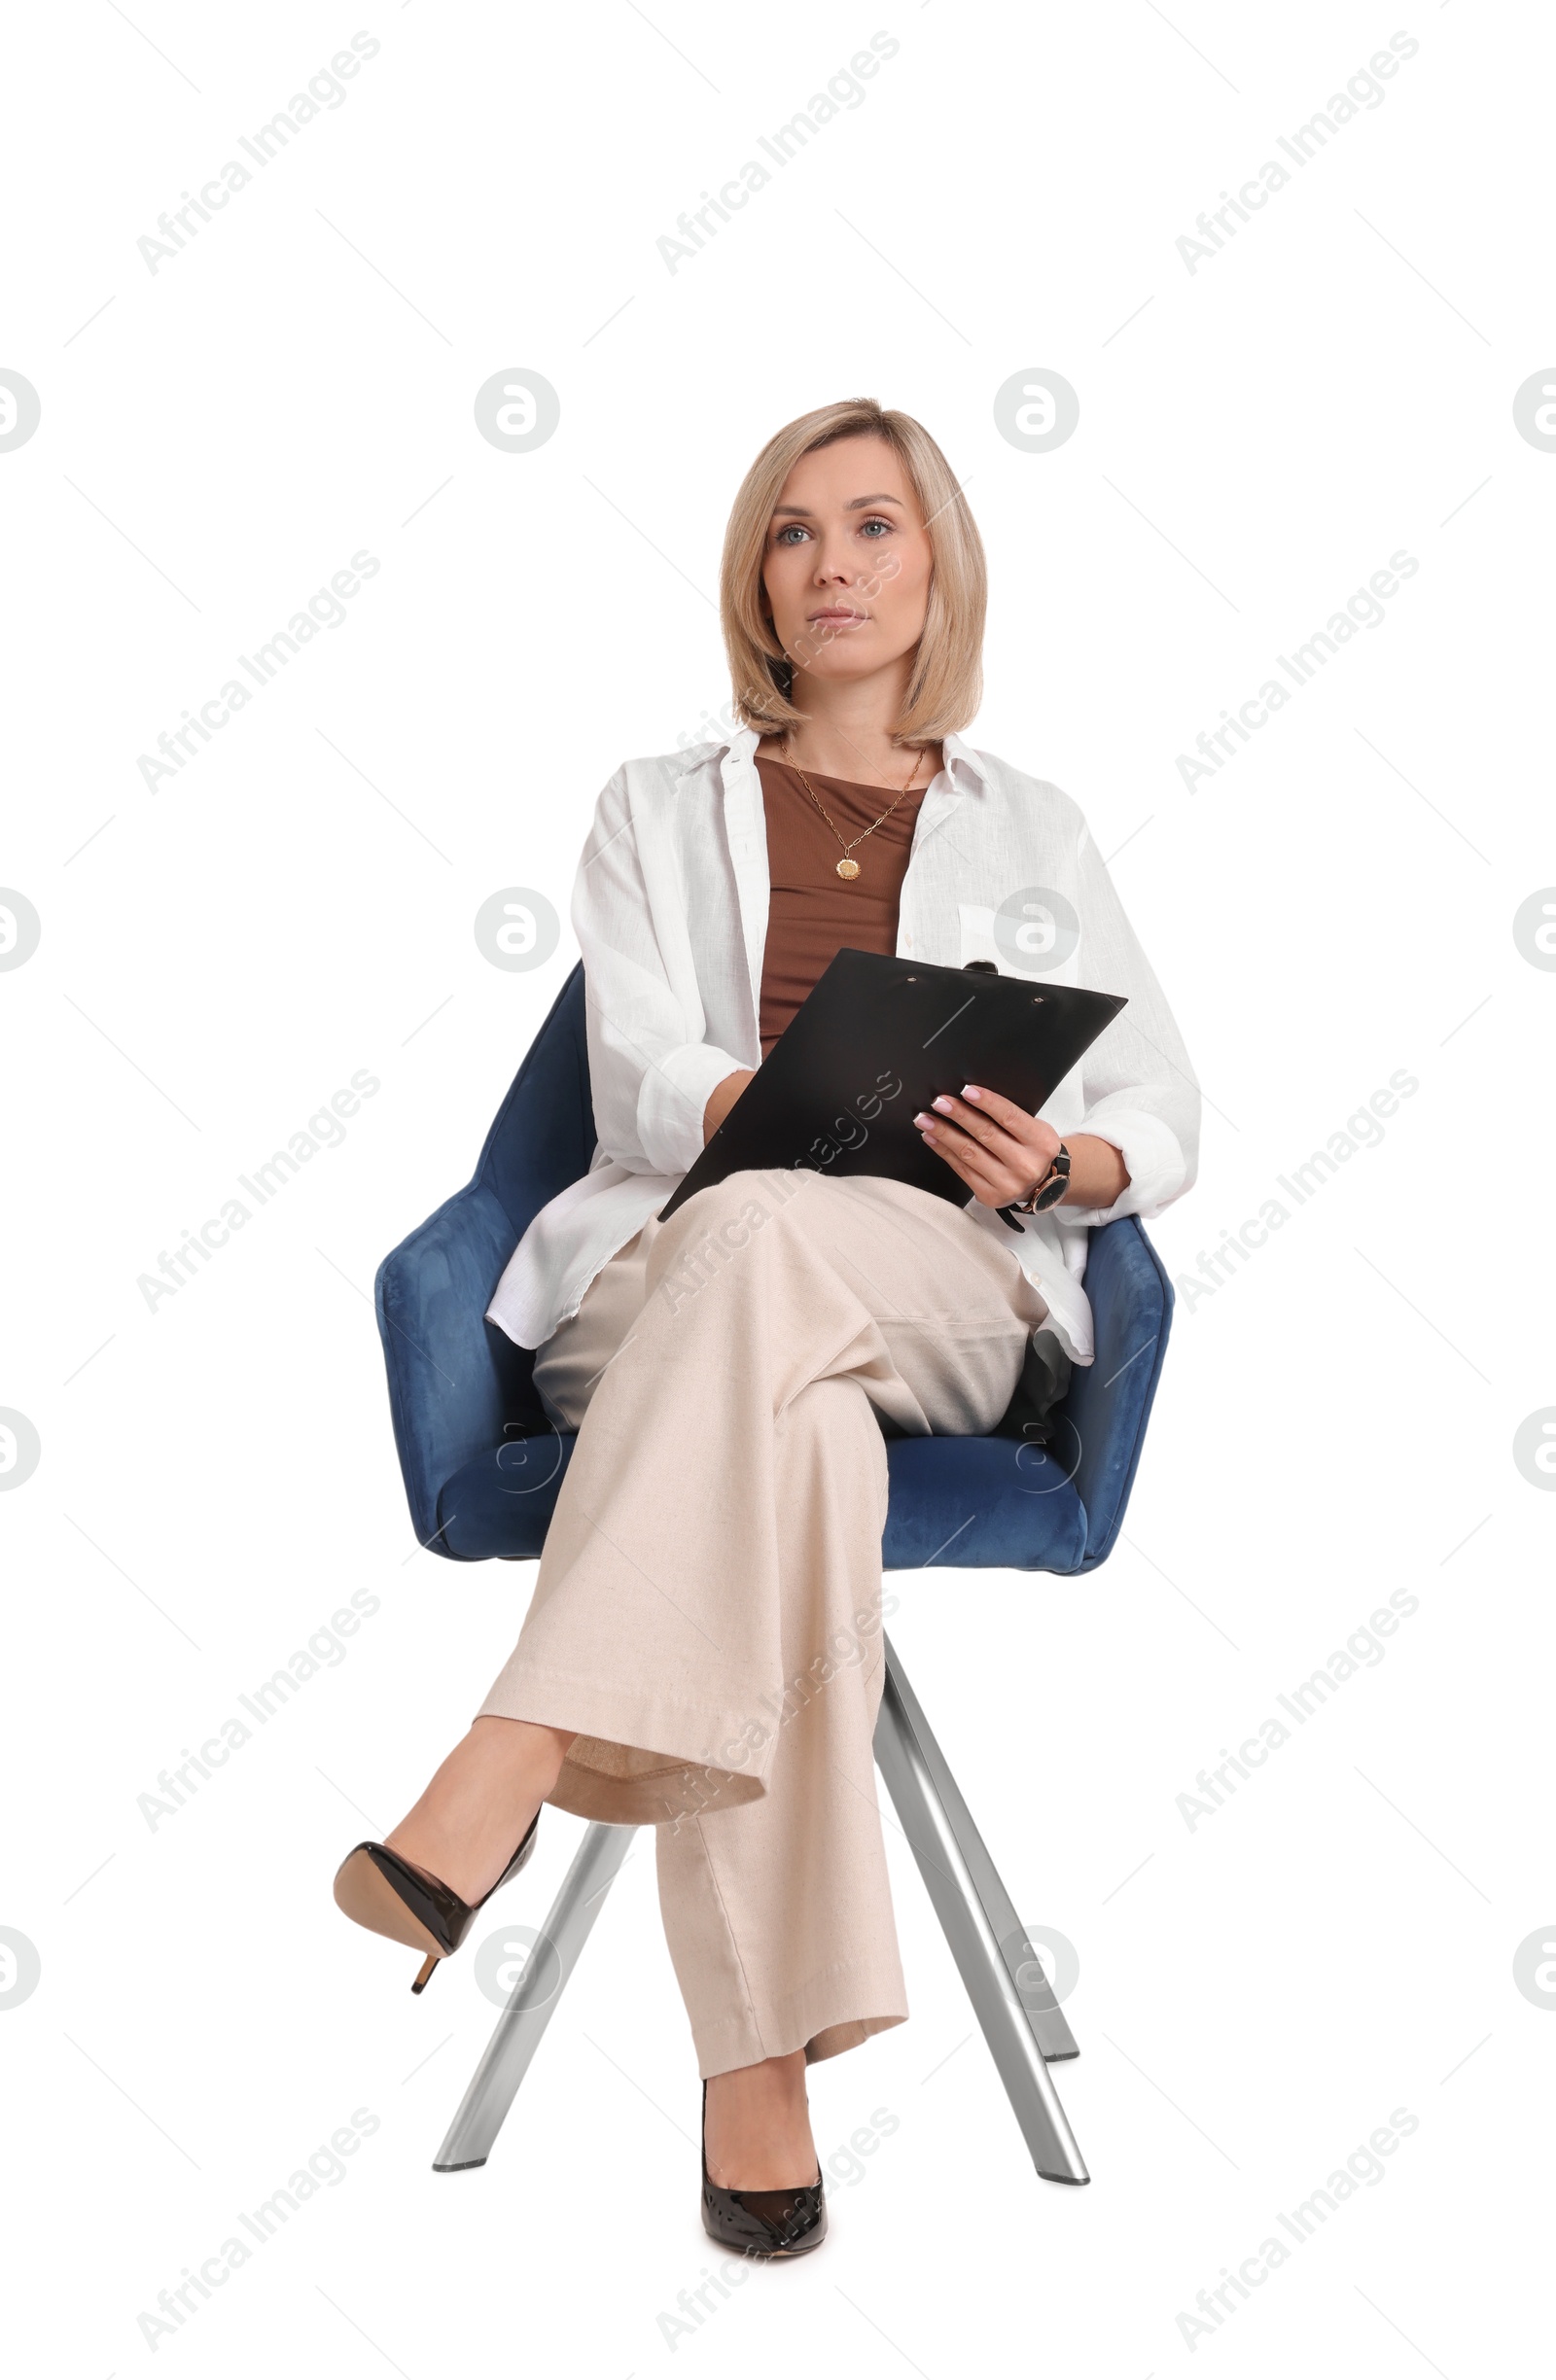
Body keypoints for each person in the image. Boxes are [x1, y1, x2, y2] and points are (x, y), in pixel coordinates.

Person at [334, 397, 1199, 2257]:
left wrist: (1066, 1158)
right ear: (757, 574)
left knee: (786, 1268)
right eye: (795, 533)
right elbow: (634, 1061)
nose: (833, 566)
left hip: (945, 1292)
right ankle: (761, 2070)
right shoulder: (654, 809)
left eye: (876, 528)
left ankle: (517, 1754)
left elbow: (1169, 1112)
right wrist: (762, 1110)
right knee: (781, 1410)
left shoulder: (1032, 826)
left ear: (937, 564)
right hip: (680, 1276)